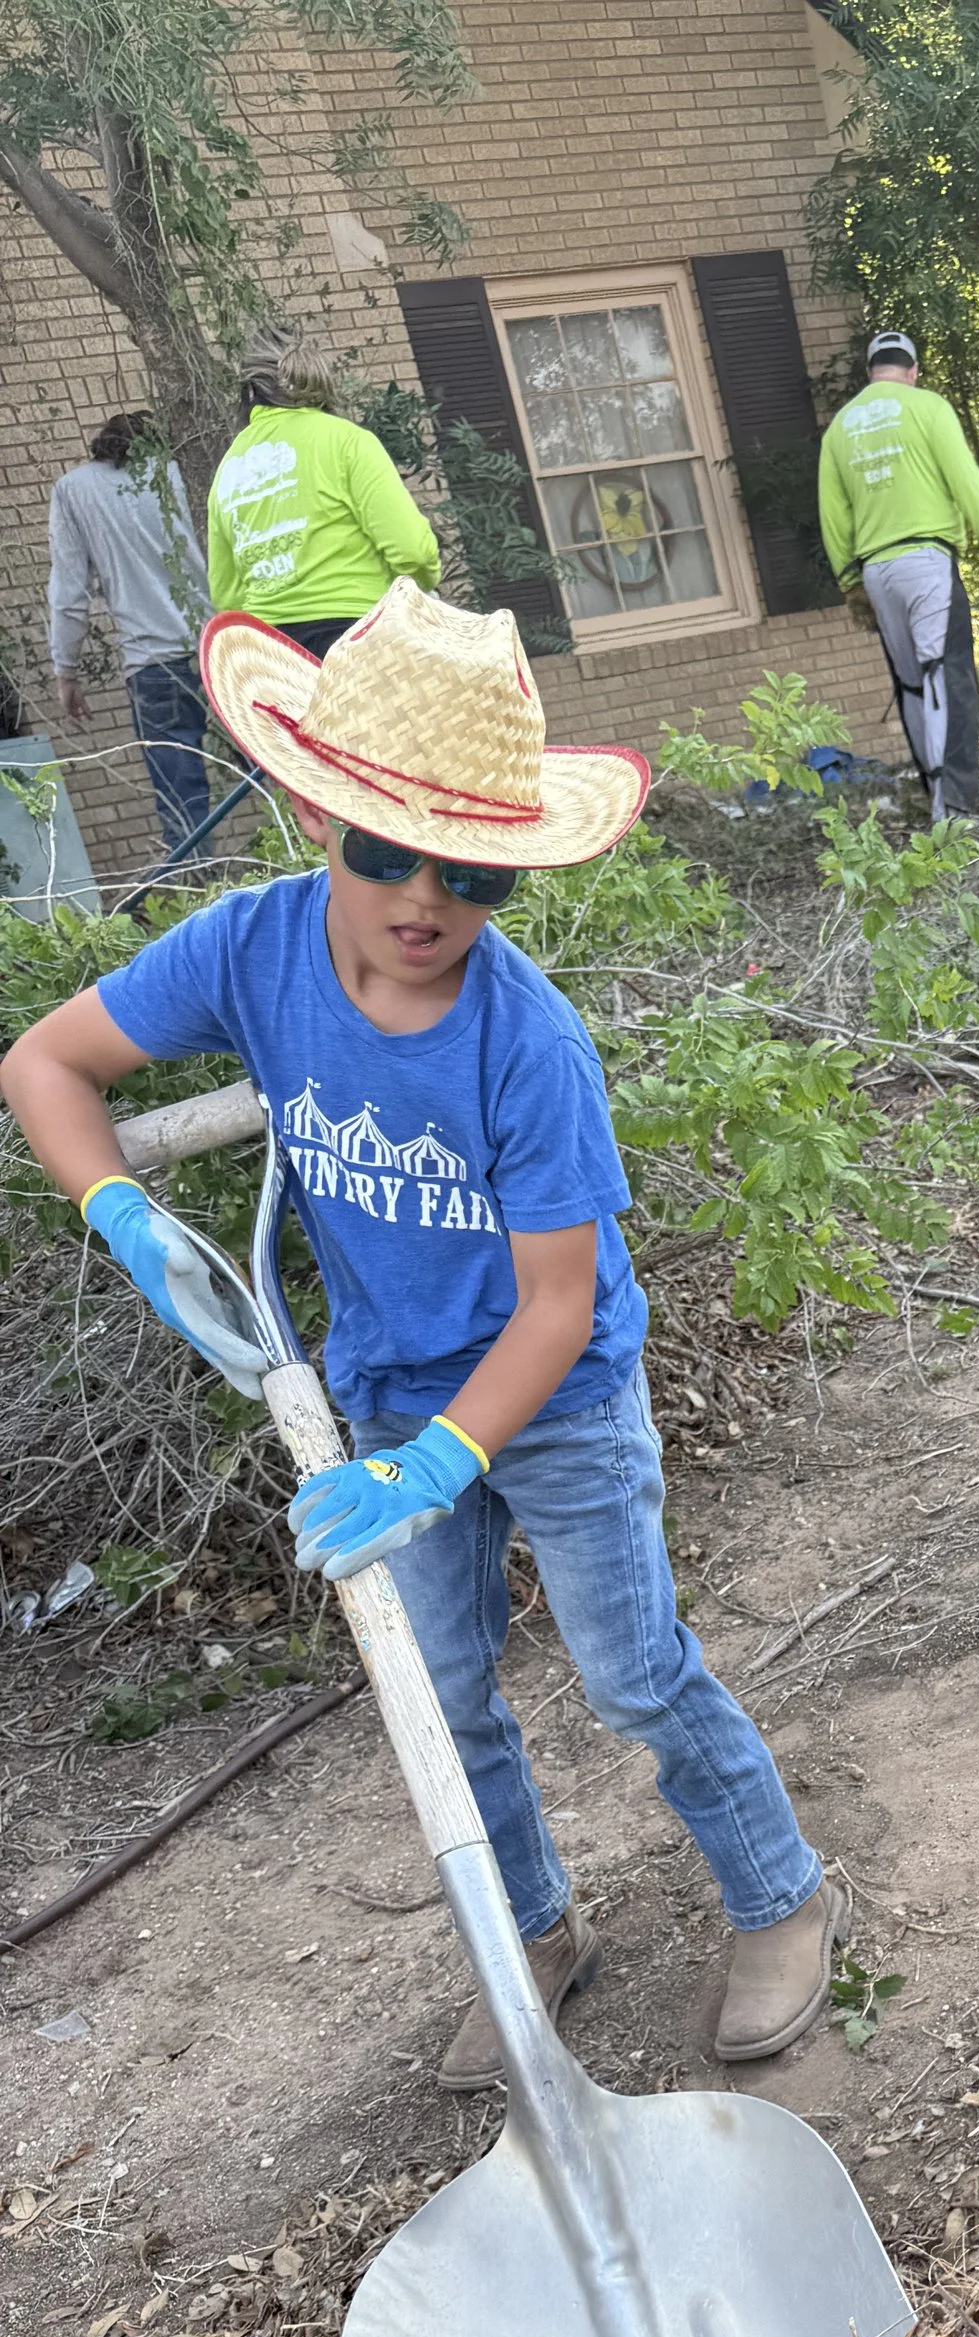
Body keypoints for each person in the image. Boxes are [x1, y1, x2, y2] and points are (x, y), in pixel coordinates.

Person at [1, 579, 845, 2086]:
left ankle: (782, 1895)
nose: (425, 901)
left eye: (474, 874)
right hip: (385, 1388)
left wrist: (446, 1465)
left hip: (555, 1396)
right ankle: (532, 1931)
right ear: (321, 818)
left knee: (632, 1673)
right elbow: (47, 1064)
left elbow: (559, 1304)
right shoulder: (250, 952)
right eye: (388, 850)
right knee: (444, 1694)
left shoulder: (526, 1044)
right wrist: (117, 1210)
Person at [818, 330, 979, 821]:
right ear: (912, 371)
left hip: (876, 571)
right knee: (946, 679)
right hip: (927, 563)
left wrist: (850, 583)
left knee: (912, 684)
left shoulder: (840, 429)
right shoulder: (928, 408)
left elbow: (833, 515)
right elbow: (966, 482)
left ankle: (936, 800)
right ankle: (953, 810)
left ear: (872, 371)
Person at [206, 323, 441, 653]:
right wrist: (426, 582)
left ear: (249, 392)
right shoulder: (346, 441)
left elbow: (226, 593)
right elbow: (413, 552)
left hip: (277, 660)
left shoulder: (229, 470)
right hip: (362, 640)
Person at [48, 414, 219, 859]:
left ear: (100, 447)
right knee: (276, 775)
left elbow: (69, 594)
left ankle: (202, 891)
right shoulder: (182, 473)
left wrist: (66, 671)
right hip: (221, 650)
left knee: (183, 811)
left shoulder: (74, 490)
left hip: (152, 666)